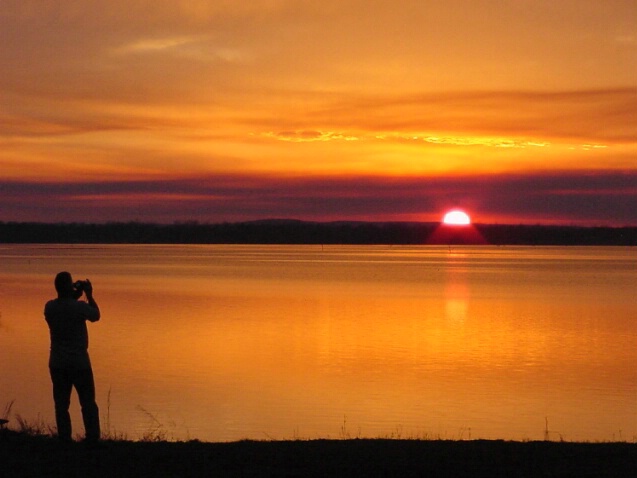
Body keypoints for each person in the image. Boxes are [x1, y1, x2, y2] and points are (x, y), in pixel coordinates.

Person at [44, 271, 101, 443]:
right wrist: (89, 295)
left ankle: (64, 439)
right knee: (88, 403)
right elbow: (96, 315)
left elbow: (65, 305)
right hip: (79, 363)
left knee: (61, 405)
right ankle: (92, 439)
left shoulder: (49, 307)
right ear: (69, 287)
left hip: (57, 363)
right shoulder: (80, 308)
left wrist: (73, 294)